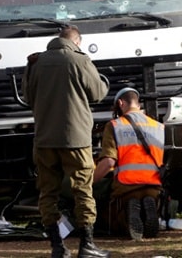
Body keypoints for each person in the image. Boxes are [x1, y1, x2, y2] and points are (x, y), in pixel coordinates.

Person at [23, 25, 110, 258]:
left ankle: (57, 247)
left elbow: (27, 97)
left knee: (47, 192)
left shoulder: (36, 63)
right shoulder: (79, 60)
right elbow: (98, 94)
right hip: (76, 139)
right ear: (77, 42)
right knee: (82, 190)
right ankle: (87, 245)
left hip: (44, 140)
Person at [93, 87, 164, 241]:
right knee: (149, 201)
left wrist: (89, 182)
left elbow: (108, 162)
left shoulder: (114, 125)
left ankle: (130, 211)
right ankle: (150, 207)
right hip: (153, 187)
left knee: (118, 219)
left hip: (126, 188)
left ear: (120, 103)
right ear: (138, 105)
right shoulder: (158, 127)